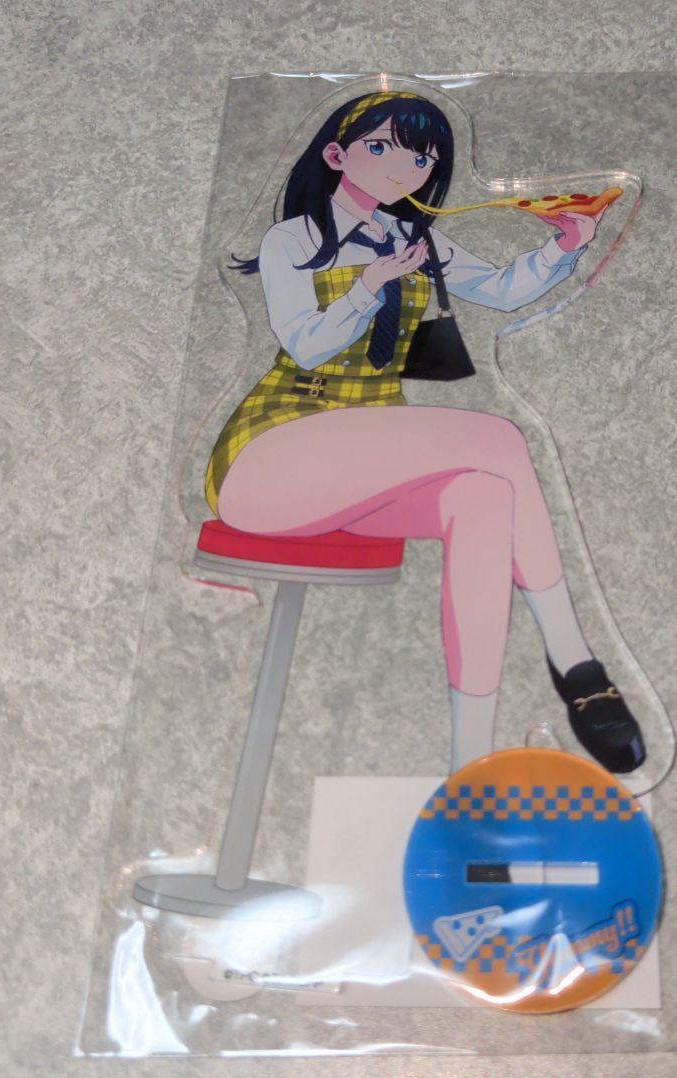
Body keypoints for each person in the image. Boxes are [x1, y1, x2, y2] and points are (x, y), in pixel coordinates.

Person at [206, 90, 645, 774]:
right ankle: (577, 663)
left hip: (362, 470)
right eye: (380, 147)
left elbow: (499, 290)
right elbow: (306, 346)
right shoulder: (293, 239)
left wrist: (564, 247)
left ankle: (469, 761)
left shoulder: (415, 239)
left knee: (483, 498)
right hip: (272, 454)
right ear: (336, 155)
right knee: (497, 440)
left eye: (420, 157)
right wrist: (366, 287)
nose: (402, 167)